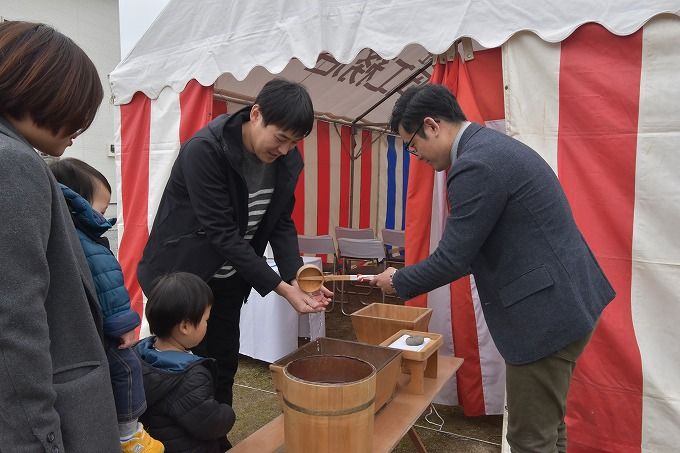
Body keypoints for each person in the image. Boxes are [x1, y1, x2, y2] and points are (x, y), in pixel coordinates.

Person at [371, 84, 616, 453]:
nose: (414, 155)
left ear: (432, 125)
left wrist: (399, 279)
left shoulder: (475, 164)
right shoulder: (490, 148)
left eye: (411, 144)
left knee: (529, 440)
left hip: (545, 317)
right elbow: (471, 251)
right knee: (548, 430)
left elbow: (454, 258)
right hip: (567, 302)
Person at [137, 79, 331, 410]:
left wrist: (296, 274)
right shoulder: (206, 150)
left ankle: (217, 434)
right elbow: (221, 232)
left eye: (294, 142)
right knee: (180, 369)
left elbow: (280, 220)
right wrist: (283, 289)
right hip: (182, 277)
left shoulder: (286, 160)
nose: (285, 150)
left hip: (229, 279)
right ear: (256, 114)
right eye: (281, 138)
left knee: (223, 362)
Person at [0, 21, 120, 451]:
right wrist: (42, 439)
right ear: (36, 90)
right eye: (79, 109)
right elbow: (13, 323)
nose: (82, 126)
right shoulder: (11, 163)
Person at [49, 158, 164, 452]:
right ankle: (129, 432)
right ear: (78, 202)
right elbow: (110, 290)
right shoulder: (86, 240)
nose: (103, 215)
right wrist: (124, 327)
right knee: (127, 368)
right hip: (107, 332)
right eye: (100, 208)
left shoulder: (68, 234)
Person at [135, 272, 236, 453]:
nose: (207, 324)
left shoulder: (139, 356)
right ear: (185, 327)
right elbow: (210, 424)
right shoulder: (189, 376)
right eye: (206, 319)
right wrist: (226, 413)